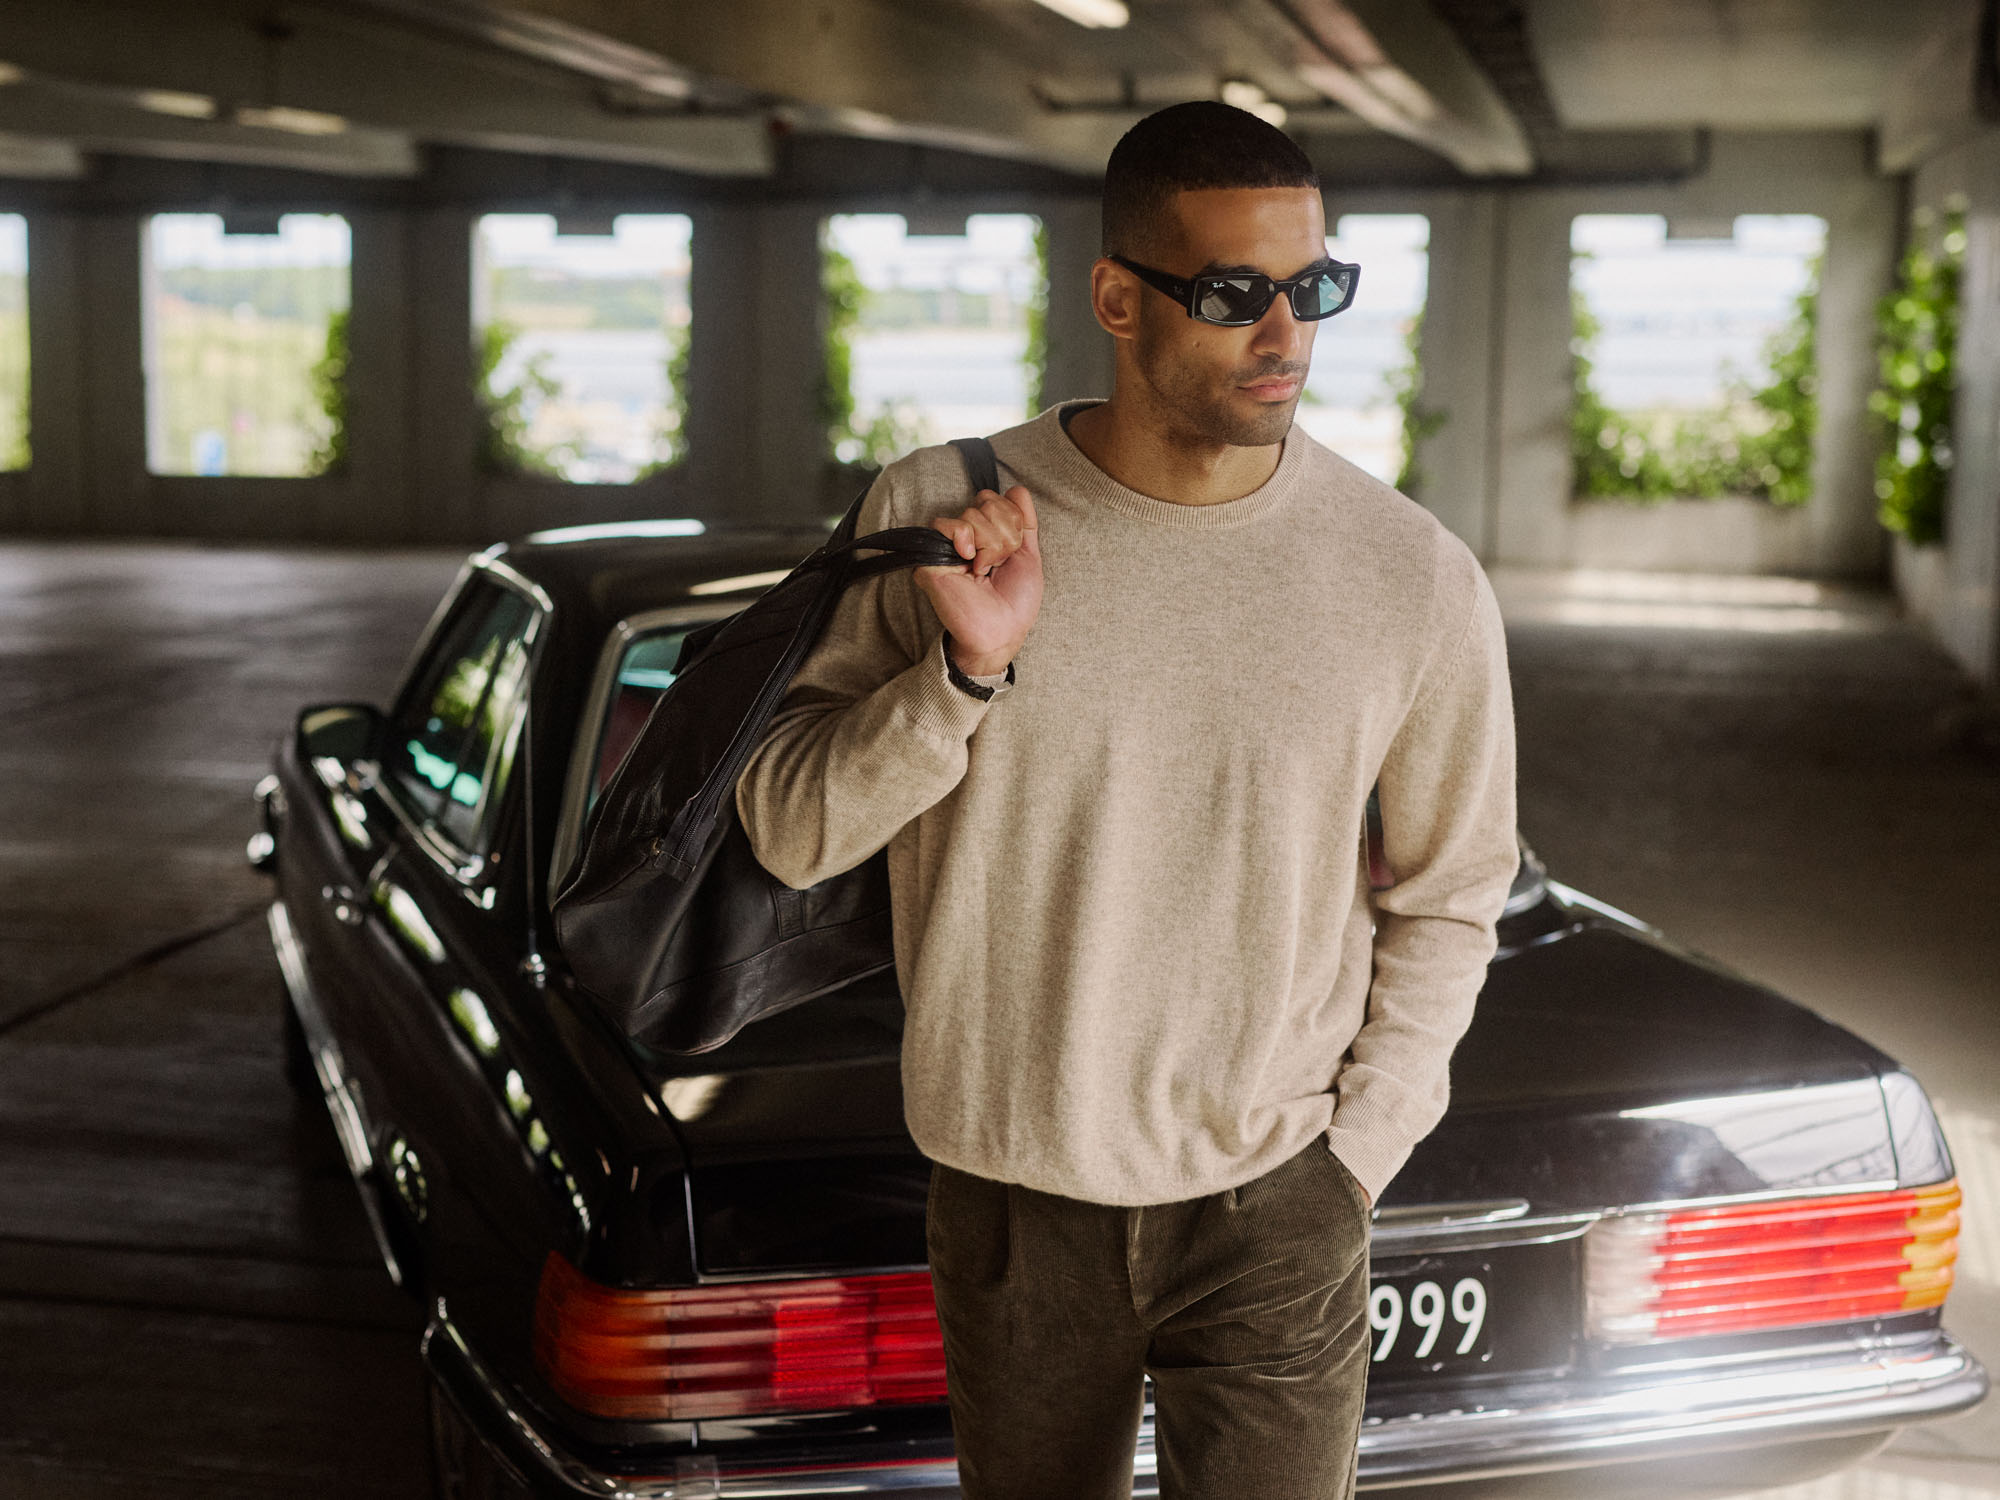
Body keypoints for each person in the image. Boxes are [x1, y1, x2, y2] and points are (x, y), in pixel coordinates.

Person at [734, 99, 1518, 1500]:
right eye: (1233, 296)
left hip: (1278, 1198)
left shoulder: (1412, 575)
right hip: (1012, 1198)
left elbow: (1457, 893)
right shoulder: (945, 510)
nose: (1286, 337)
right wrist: (964, 677)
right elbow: (790, 824)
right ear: (1116, 296)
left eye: (1314, 289)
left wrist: (1359, 1153)